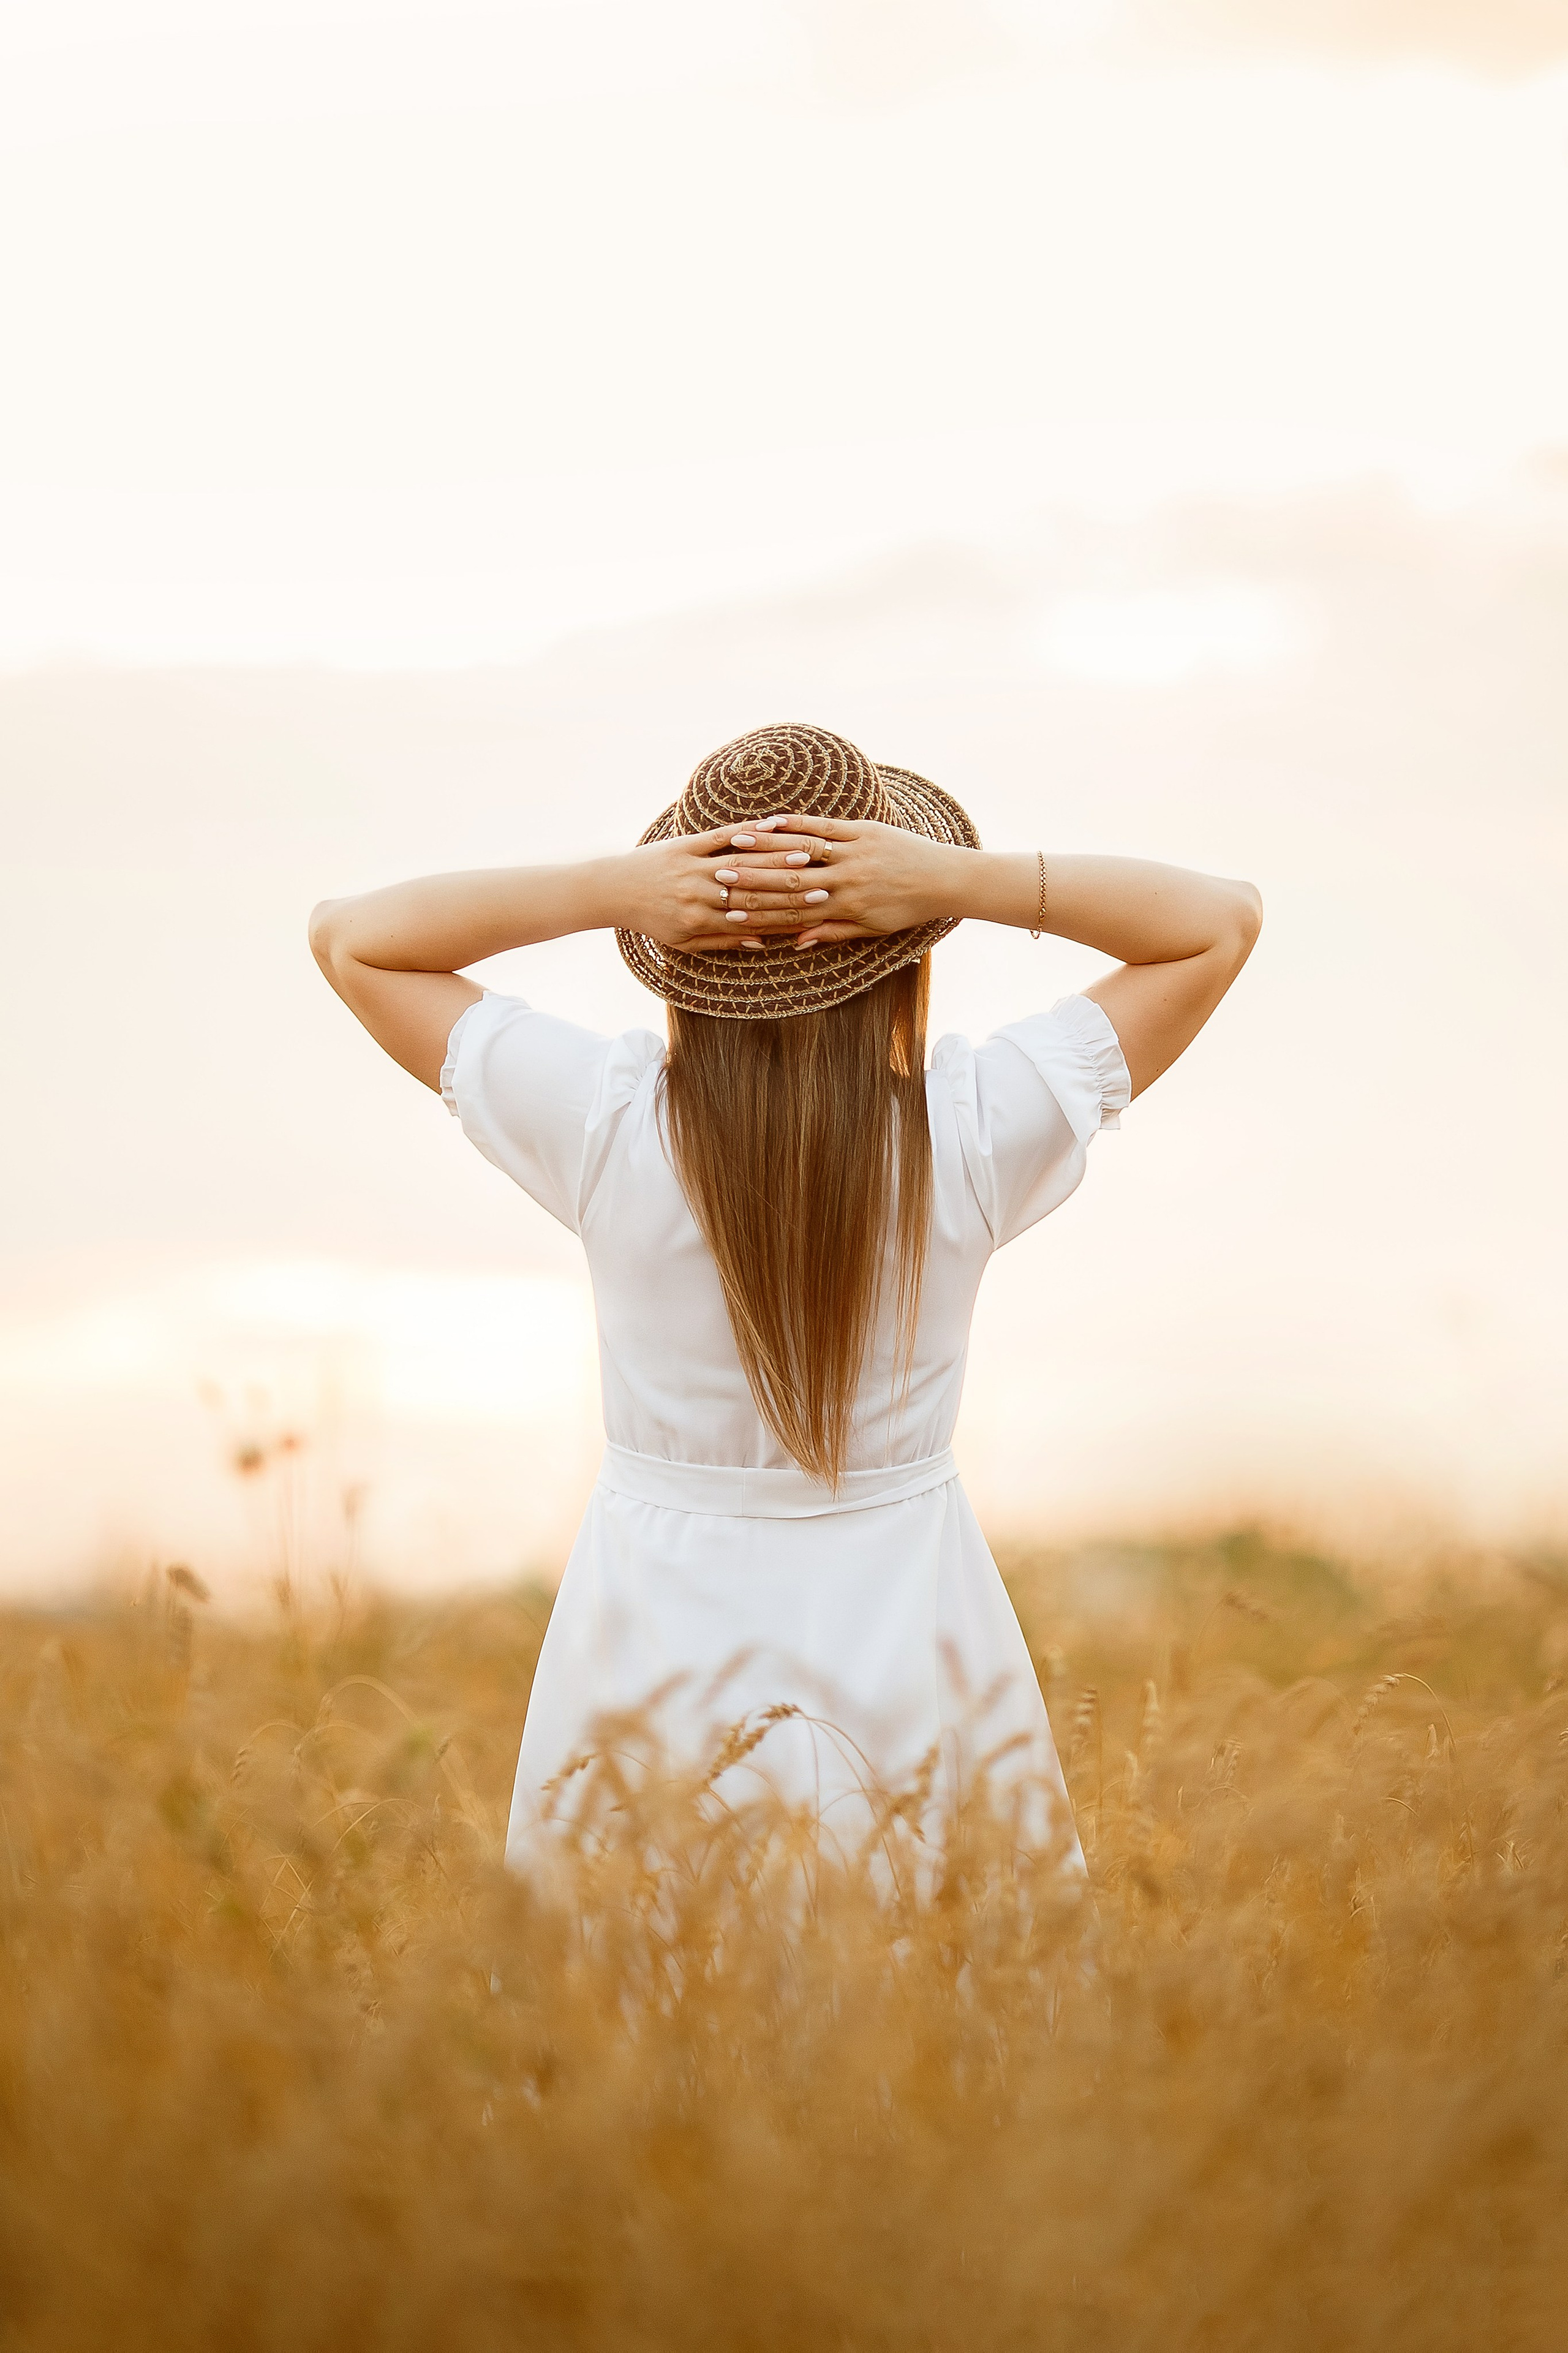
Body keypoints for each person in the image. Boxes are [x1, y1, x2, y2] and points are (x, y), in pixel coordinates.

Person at [310, 722, 1261, 1865]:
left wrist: (618, 889)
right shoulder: (967, 1127)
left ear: (680, 952)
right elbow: (1221, 921)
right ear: (900, 943)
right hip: (913, 1608)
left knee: (645, 2001)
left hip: (653, 1622)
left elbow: (352, 939)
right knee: (927, 1999)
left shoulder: (606, 1123)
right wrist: (958, 881)